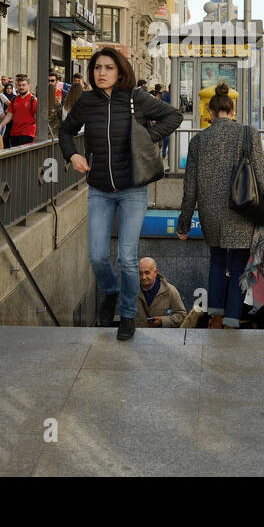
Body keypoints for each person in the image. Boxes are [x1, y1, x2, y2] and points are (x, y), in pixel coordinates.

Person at [60, 49, 181, 340]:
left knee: (128, 258)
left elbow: (173, 116)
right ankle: (111, 291)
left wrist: (145, 137)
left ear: (120, 71)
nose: (101, 72)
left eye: (108, 68)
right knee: (98, 256)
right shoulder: (87, 101)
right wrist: (72, 156)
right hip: (100, 190)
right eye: (97, 68)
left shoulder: (135, 98)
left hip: (132, 191)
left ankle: (127, 314)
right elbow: (65, 132)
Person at [176, 83, 264, 329]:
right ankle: (232, 319)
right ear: (233, 111)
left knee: (217, 260)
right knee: (239, 264)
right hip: (242, 209)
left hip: (210, 212)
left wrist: (184, 222)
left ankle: (215, 315)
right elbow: (261, 174)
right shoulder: (248, 133)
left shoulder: (198, 140)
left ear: (209, 112)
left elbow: (190, 186)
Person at [135, 258, 186, 327]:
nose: (143, 277)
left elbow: (181, 316)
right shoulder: (131, 291)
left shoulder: (170, 291)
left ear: (155, 272)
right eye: (140, 273)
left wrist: (162, 321)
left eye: (147, 273)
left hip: (162, 336)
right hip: (138, 336)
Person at [1, 74, 38, 146]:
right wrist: (1, 125)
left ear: (28, 86)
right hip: (14, 133)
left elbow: (36, 117)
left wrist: (37, 134)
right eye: (20, 85)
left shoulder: (33, 100)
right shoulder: (14, 100)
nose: (21, 87)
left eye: (24, 85)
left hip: (28, 133)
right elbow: (10, 115)